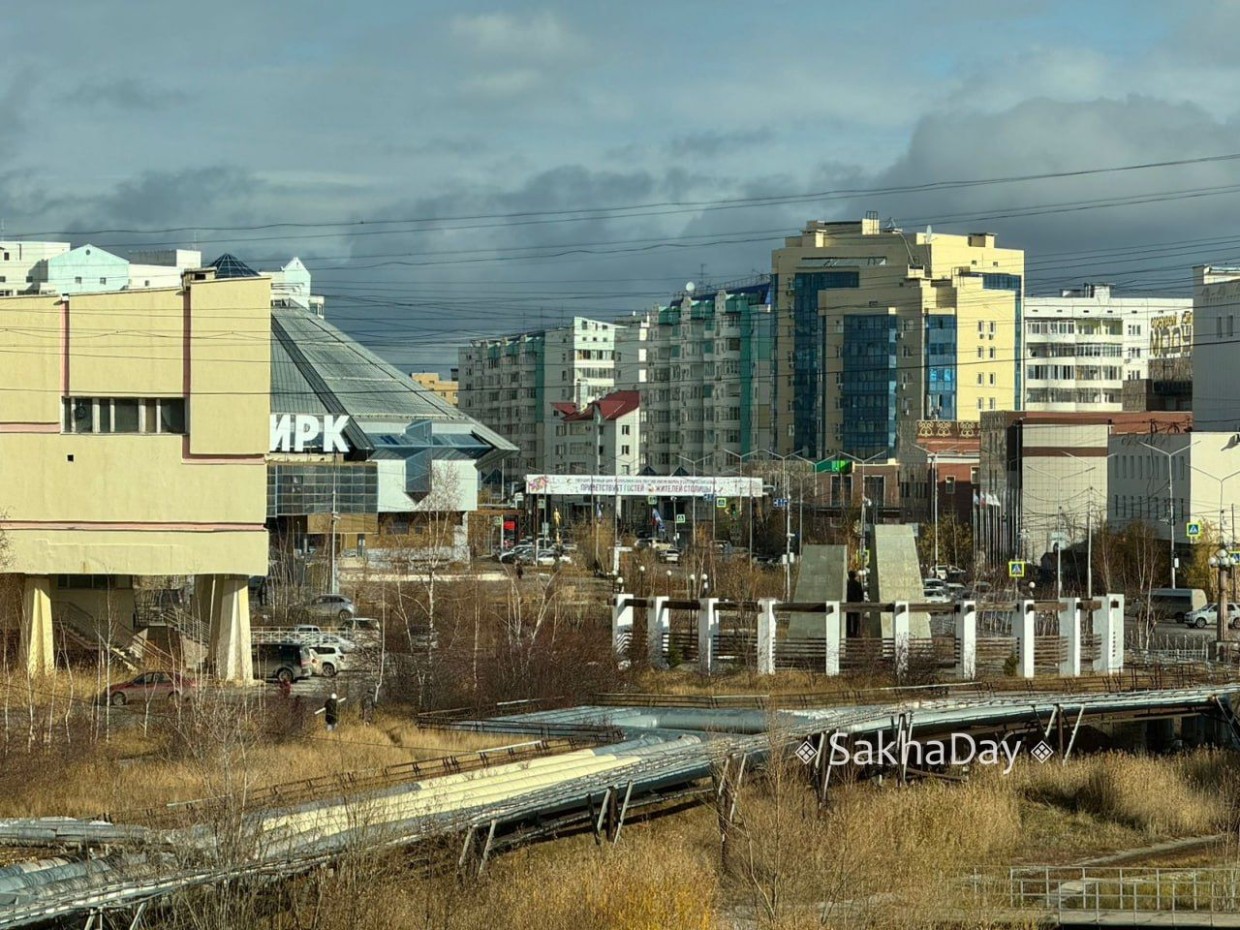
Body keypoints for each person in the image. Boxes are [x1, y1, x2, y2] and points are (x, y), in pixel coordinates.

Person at [846, 570, 865, 638]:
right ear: (855, 576)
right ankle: (855, 632)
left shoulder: (847, 584)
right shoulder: (858, 584)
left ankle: (848, 632)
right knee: (855, 619)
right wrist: (860, 601)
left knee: (848, 619)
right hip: (856, 603)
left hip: (847, 604)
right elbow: (861, 594)